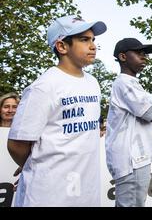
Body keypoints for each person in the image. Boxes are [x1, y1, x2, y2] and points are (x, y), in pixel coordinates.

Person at [7, 15, 106, 206]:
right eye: (84, 40)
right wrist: (37, 167)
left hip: (85, 191)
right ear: (62, 47)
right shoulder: (43, 87)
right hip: (47, 195)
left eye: (93, 40)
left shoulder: (93, 83)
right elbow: (17, 144)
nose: (93, 46)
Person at [105, 38, 152, 207]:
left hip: (136, 158)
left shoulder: (131, 83)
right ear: (123, 57)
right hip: (131, 159)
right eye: (138, 53)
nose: (144, 57)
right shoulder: (123, 82)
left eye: (144, 54)